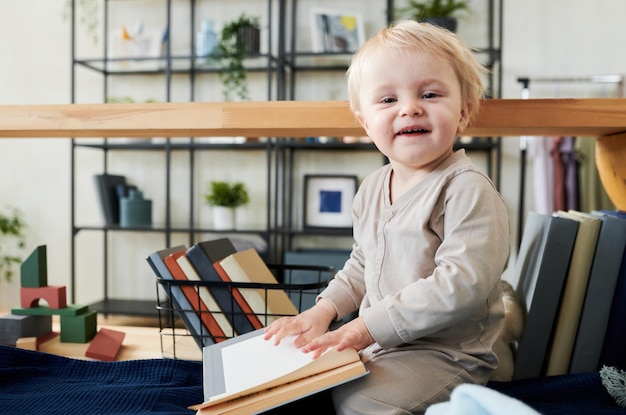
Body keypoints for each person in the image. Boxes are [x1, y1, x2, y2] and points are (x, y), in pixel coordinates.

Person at [264, 20, 510, 415]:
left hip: (447, 354)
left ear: (462, 113)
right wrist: (322, 311)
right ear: (364, 122)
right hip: (384, 345)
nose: (410, 107)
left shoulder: (466, 188)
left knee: (361, 403)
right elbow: (363, 263)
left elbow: (461, 285)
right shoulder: (373, 187)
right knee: (300, 386)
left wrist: (361, 329)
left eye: (429, 94)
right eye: (387, 100)